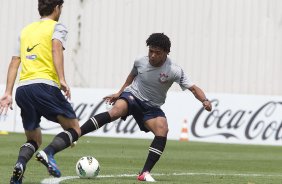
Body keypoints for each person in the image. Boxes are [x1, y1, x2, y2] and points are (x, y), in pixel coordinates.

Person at [79, 33, 212, 182]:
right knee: (115, 111)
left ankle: (144, 172)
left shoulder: (174, 70)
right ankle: (77, 133)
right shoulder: (140, 61)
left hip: (152, 107)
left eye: (157, 52)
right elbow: (131, 77)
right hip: (133, 96)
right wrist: (119, 92)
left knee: (162, 128)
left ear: (167, 52)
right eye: (151, 51)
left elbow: (193, 88)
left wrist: (205, 100)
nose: (153, 55)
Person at [0, 0, 81, 183]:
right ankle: (49, 153)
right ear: (56, 8)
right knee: (74, 128)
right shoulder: (57, 27)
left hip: (23, 90)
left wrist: (7, 92)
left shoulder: (25, 30)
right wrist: (61, 79)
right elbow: (56, 48)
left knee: (34, 138)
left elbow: (14, 61)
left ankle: (20, 165)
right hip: (44, 86)